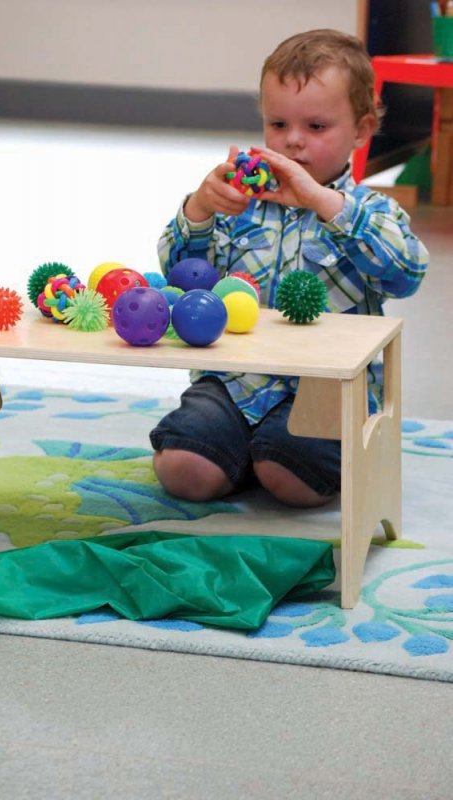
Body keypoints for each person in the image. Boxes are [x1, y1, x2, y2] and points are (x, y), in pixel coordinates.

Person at [149, 28, 429, 509]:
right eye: (278, 124)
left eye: (316, 127)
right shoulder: (238, 203)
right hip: (234, 383)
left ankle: (262, 459)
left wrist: (323, 202)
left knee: (290, 476)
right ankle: (236, 454)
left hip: (327, 392)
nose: (293, 141)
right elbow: (181, 274)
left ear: (361, 131)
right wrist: (199, 208)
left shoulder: (370, 210)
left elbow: (407, 273)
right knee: (184, 471)